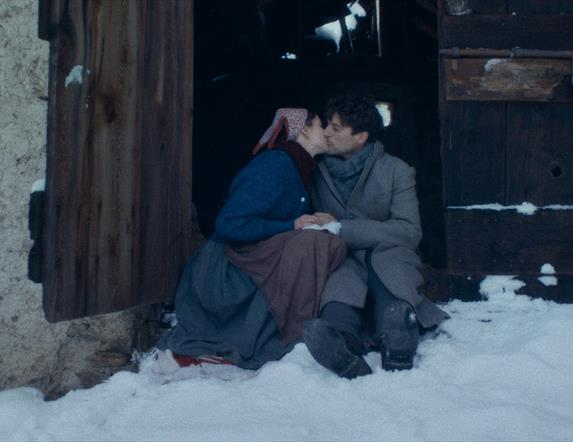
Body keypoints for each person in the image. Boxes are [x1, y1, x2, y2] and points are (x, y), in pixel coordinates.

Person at [157, 108, 347, 369]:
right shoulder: (276, 164)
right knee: (311, 242)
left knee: (325, 240)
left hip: (255, 255)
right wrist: (290, 224)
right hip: (226, 265)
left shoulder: (299, 167)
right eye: (321, 125)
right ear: (303, 129)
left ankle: (317, 325)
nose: (327, 132)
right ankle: (294, 330)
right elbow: (229, 223)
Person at [303, 94, 449, 379]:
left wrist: (342, 228)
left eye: (335, 127)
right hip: (342, 256)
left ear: (360, 137)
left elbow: (409, 231)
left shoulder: (397, 171)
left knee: (393, 299)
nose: (326, 133)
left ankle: (397, 339)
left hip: (389, 253)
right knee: (337, 291)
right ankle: (341, 346)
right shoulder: (315, 171)